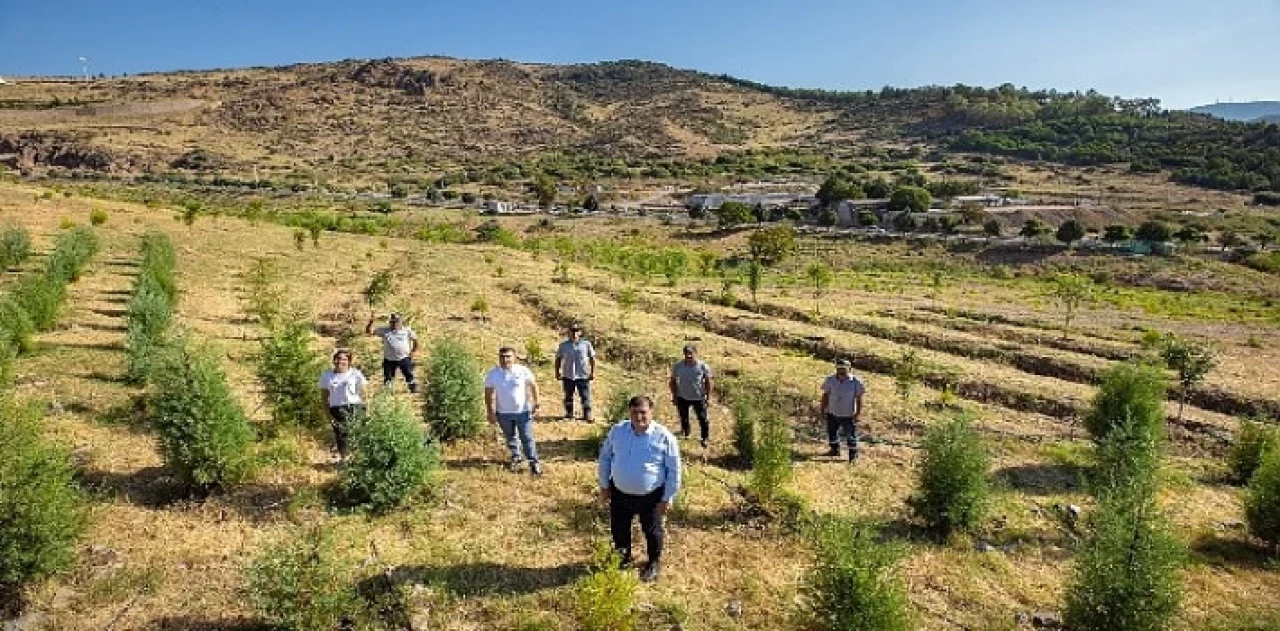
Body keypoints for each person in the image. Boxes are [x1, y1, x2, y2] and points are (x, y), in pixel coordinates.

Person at [597, 395, 682, 583]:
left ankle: (653, 562)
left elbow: (674, 470)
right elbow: (605, 458)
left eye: (643, 412)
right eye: (634, 412)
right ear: (629, 412)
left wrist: (667, 498)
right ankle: (623, 558)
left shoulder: (664, 436)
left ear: (651, 412)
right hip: (619, 493)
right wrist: (604, 486)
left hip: (651, 497)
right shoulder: (618, 431)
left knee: (652, 531)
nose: (639, 417)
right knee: (619, 528)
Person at [483, 346, 543, 476]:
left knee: (527, 437)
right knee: (510, 437)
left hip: (523, 412)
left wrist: (536, 403)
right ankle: (516, 456)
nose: (505, 360)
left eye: (508, 357)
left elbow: (533, 385)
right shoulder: (493, 374)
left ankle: (534, 463)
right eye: (502, 357)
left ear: (514, 358)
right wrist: (490, 411)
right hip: (503, 413)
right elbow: (488, 393)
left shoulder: (522, 371)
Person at [318, 348, 368, 460]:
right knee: (341, 435)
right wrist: (327, 414)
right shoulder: (327, 376)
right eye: (337, 358)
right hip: (337, 409)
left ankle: (359, 459)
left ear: (349, 361)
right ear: (334, 360)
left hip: (355, 406)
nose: (340, 361)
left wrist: (366, 408)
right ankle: (344, 459)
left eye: (344, 359)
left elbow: (364, 393)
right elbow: (324, 398)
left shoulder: (355, 374)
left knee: (358, 433)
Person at [820, 358, 866, 462]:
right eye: (839, 368)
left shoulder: (856, 382)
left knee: (850, 435)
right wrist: (822, 409)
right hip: (832, 412)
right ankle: (835, 450)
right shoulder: (830, 380)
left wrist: (857, 413)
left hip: (848, 414)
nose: (841, 370)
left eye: (843, 368)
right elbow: (825, 395)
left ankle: (853, 456)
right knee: (831, 432)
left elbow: (859, 399)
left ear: (849, 369)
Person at [668, 344, 714, 449]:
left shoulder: (702, 366)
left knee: (703, 419)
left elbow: (708, 382)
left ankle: (704, 438)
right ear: (684, 354)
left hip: (699, 398)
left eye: (690, 353)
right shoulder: (678, 366)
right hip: (682, 397)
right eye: (686, 354)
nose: (688, 356)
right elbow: (672, 382)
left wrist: (708, 397)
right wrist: (674, 396)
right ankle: (686, 433)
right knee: (684, 417)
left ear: (695, 353)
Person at [365, 312, 419, 393]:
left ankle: (412, 387)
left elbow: (415, 340)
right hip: (389, 359)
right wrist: (370, 323)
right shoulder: (384, 330)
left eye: (396, 321)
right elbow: (369, 332)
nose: (394, 323)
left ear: (401, 321)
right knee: (388, 377)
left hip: (404, 358)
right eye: (392, 321)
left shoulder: (407, 330)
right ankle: (387, 391)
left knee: (408, 374)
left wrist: (413, 351)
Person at [555, 323, 596, 422]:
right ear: (569, 332)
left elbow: (592, 358)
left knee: (585, 396)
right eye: (572, 331)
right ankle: (569, 414)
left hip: (583, 375)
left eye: (576, 331)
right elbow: (558, 359)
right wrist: (557, 372)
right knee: (568, 396)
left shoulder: (586, 344)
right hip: (568, 375)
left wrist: (592, 372)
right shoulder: (563, 345)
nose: (574, 333)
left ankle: (587, 415)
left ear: (580, 332)